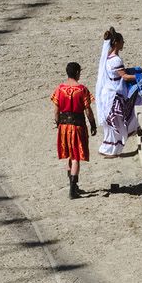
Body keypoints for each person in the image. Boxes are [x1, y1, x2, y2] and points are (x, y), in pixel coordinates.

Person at [51, 61, 97, 199]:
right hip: (77, 127)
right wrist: (93, 124)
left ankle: (74, 186)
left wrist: (58, 122)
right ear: (77, 73)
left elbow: (56, 111)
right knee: (76, 157)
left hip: (64, 127)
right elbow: (88, 110)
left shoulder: (60, 89)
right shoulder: (82, 89)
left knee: (70, 156)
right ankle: (73, 190)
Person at [95, 26, 142, 157]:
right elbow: (124, 76)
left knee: (113, 124)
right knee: (119, 123)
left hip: (109, 94)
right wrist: (141, 77)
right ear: (116, 42)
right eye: (122, 41)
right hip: (115, 97)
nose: (123, 43)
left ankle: (108, 148)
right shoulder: (116, 60)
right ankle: (111, 149)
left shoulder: (108, 57)